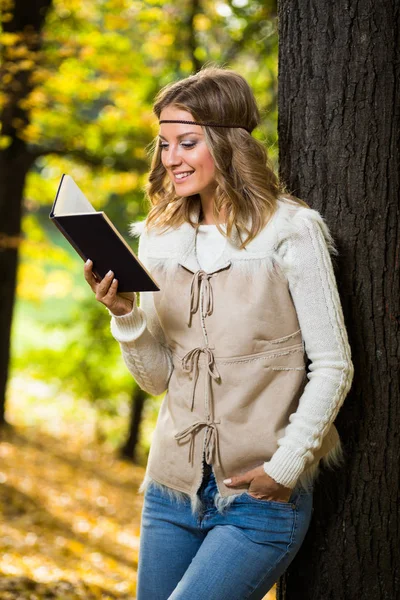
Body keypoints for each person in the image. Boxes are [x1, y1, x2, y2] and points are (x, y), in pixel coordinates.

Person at [83, 66, 354, 599]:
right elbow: (158, 380)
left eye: (187, 143)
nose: (170, 159)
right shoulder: (161, 237)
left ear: (228, 144)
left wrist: (286, 467)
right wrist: (126, 315)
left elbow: (334, 364)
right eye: (163, 144)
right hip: (169, 494)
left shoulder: (291, 232)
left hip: (260, 501)